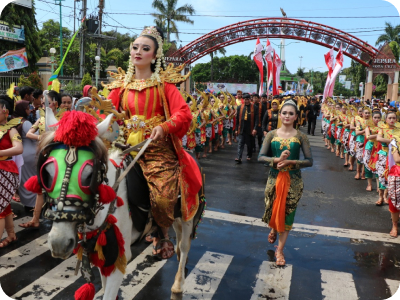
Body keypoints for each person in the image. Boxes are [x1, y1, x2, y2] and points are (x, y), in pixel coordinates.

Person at [105, 26, 201, 259]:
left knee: (163, 196)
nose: (138, 52)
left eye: (145, 48)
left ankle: (163, 232)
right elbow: (106, 114)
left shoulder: (164, 86)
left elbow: (183, 114)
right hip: (124, 147)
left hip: (156, 150)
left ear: (155, 56)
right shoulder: (120, 88)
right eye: (135, 47)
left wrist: (164, 126)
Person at [258, 99, 313, 266]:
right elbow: (260, 157)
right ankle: (273, 227)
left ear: (296, 116)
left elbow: (309, 161)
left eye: (291, 113)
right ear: (279, 115)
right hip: (274, 179)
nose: (287, 116)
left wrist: (291, 162)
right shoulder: (271, 135)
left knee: (288, 213)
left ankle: (280, 249)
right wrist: (277, 159)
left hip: (293, 181)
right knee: (273, 207)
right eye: (284, 113)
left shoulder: (301, 136)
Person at [0, 97, 23, 247]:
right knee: (4, 204)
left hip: (6, 170)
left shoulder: (11, 129)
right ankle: (11, 235)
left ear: (5, 111)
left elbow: (19, 148)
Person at [235, 93, 258, 163]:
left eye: (247, 99)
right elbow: (237, 119)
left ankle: (249, 155)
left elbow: (256, 119)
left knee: (249, 144)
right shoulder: (239, 107)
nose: (246, 101)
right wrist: (236, 129)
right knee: (240, 143)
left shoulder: (254, 107)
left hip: (250, 129)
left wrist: (255, 128)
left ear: (250, 100)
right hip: (242, 129)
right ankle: (239, 157)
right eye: (245, 99)